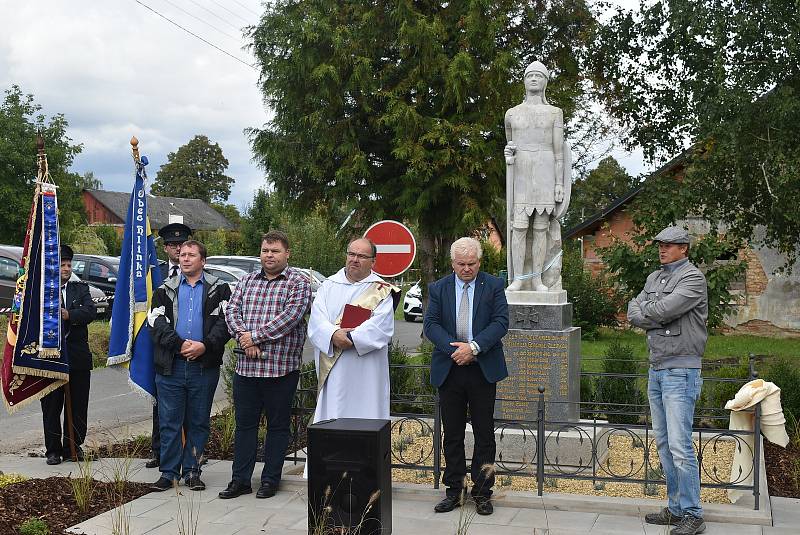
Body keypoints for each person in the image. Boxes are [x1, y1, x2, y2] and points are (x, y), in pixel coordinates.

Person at [627, 226, 708, 535]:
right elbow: (634, 308)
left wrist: (649, 311)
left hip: (681, 370)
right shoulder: (654, 278)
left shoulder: (692, 278)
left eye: (670, 246)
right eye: (660, 245)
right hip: (657, 367)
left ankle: (693, 514)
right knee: (663, 443)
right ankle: (676, 509)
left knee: (679, 445)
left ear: (683, 249)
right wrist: (650, 311)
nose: (662, 250)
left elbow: (662, 310)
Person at [220, 230, 311, 500]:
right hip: (246, 369)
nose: (269, 255)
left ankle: (270, 480)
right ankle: (241, 481)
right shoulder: (247, 280)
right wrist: (246, 341)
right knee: (245, 426)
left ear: (287, 254)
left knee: (277, 427)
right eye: (265, 251)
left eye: (275, 251)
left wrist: (255, 337)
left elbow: (291, 317)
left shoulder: (298, 283)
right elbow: (232, 312)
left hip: (280, 370)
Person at [423, 237, 509, 516]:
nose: (466, 269)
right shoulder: (438, 288)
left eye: (471, 263)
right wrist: (456, 350)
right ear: (452, 263)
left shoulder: (494, 286)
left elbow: (500, 322)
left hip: (482, 367)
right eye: (461, 264)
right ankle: (455, 491)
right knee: (453, 433)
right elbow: (431, 325)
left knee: (484, 433)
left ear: (479, 262)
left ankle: (483, 493)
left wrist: (473, 347)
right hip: (450, 367)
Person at [147, 240, 232, 491]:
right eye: (182, 255)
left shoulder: (219, 289)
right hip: (171, 366)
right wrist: (180, 344)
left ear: (202, 261)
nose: (184, 259)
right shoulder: (165, 288)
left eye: (191, 255)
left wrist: (205, 345)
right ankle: (169, 473)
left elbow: (226, 323)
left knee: (198, 421)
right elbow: (156, 322)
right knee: (169, 421)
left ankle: (193, 471)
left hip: (203, 367)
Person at [308, 238, 398, 425]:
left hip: (367, 372)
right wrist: (333, 335)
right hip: (334, 370)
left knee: (367, 421)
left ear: (373, 262)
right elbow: (316, 320)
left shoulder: (381, 289)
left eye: (362, 256)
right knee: (333, 419)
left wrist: (349, 338)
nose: (355, 259)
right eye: (351, 254)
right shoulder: (328, 285)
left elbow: (381, 328)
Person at [504, 60, 571, 292]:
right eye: (530, 75)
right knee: (519, 227)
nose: (534, 79)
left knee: (541, 228)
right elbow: (510, 144)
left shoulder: (555, 113)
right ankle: (519, 279)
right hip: (521, 174)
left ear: (545, 82)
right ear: (524, 80)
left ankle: (537, 279)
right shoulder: (512, 114)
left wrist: (559, 184)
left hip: (545, 172)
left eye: (539, 76)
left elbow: (558, 152)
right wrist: (508, 155)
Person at [40, 244, 97, 465]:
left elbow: (89, 312)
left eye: (69, 264)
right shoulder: (43, 291)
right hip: (51, 357)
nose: (66, 268)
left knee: (78, 404)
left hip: (77, 356)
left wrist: (68, 314)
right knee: (52, 405)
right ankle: (53, 450)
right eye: (62, 264)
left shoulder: (80, 288)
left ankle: (73, 446)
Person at [147, 221, 193, 469]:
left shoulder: (195, 271)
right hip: (162, 346)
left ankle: (190, 453)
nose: (177, 250)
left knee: (188, 407)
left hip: (191, 349)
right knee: (160, 403)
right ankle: (160, 451)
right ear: (165, 248)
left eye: (181, 244)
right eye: (173, 245)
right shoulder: (155, 274)